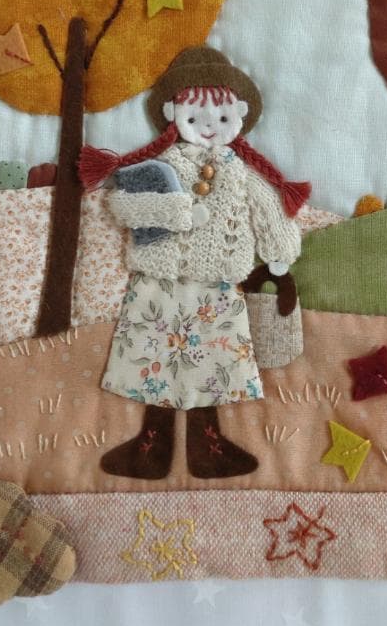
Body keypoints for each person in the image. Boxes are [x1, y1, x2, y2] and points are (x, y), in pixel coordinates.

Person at [79, 46, 310, 480]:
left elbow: (268, 210)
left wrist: (279, 251)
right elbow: (123, 205)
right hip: (160, 281)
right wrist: (177, 213)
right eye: (195, 116)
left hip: (216, 286)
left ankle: (209, 445)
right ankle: (150, 445)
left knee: (213, 364)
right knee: (154, 360)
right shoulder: (160, 166)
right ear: (173, 114)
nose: (207, 127)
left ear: (240, 116)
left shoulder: (240, 173)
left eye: (221, 117)